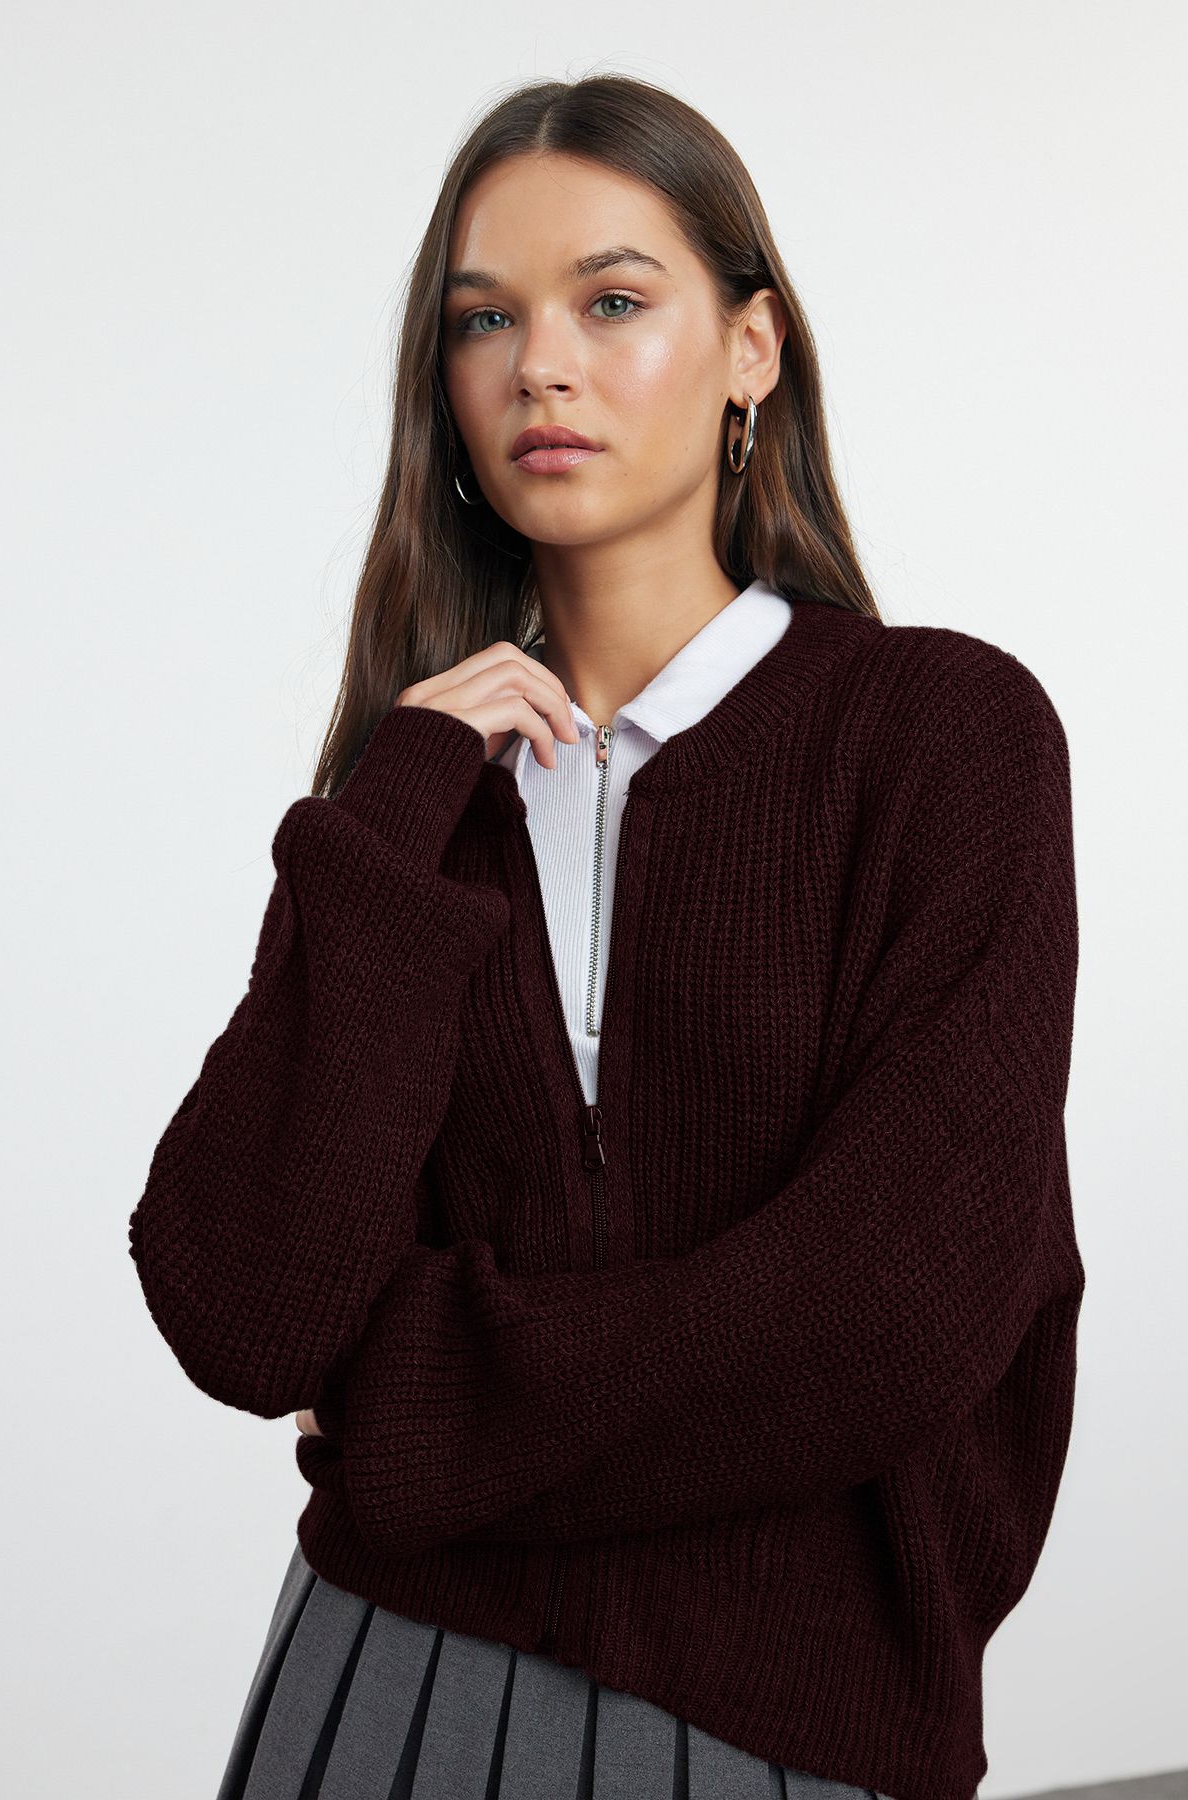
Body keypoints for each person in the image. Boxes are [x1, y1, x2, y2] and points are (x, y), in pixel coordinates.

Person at [128, 72, 1081, 1800]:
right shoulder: (412, 804)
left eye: (614, 302)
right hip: (382, 1682)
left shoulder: (944, 737)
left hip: (792, 1719)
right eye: (483, 319)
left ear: (751, 349)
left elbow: (898, 1306)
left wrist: (409, 1398)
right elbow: (243, 1309)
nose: (539, 367)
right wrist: (388, 818)